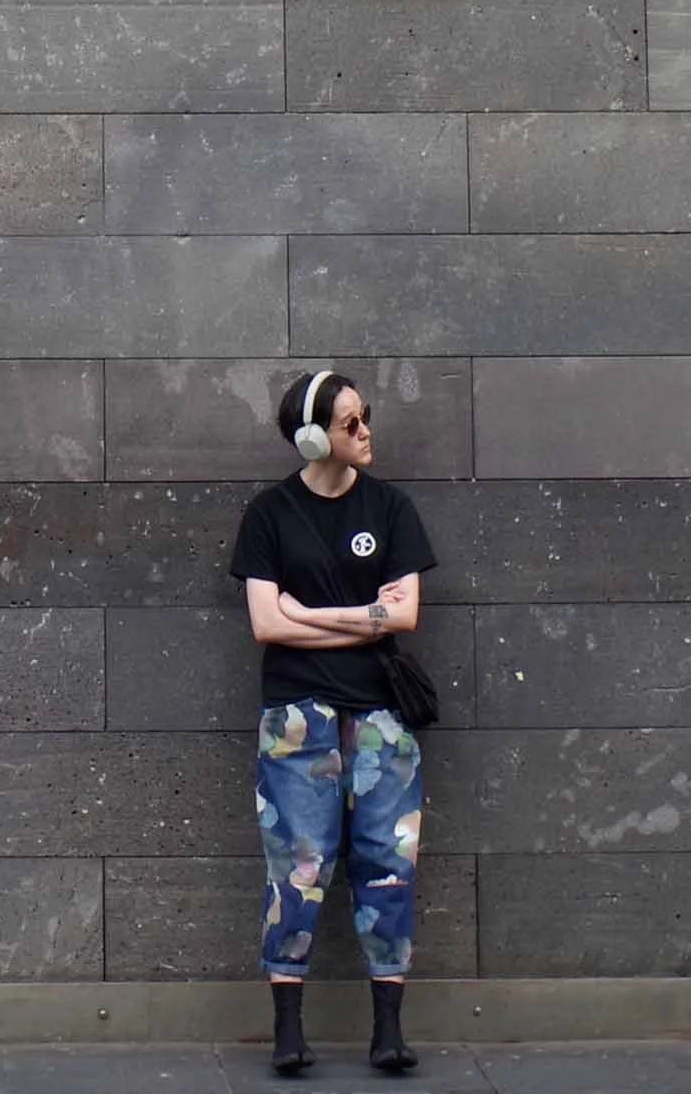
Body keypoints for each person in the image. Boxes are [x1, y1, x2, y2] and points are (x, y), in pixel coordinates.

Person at [230, 370, 437, 1076]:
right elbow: (264, 624)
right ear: (315, 435)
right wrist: (361, 621)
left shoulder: (390, 509)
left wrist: (308, 617)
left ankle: (389, 1031)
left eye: (366, 417)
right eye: (351, 423)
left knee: (389, 866)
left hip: (383, 718)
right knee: (298, 864)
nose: (367, 431)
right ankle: (288, 1030)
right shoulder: (269, 516)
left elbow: (404, 615)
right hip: (296, 718)